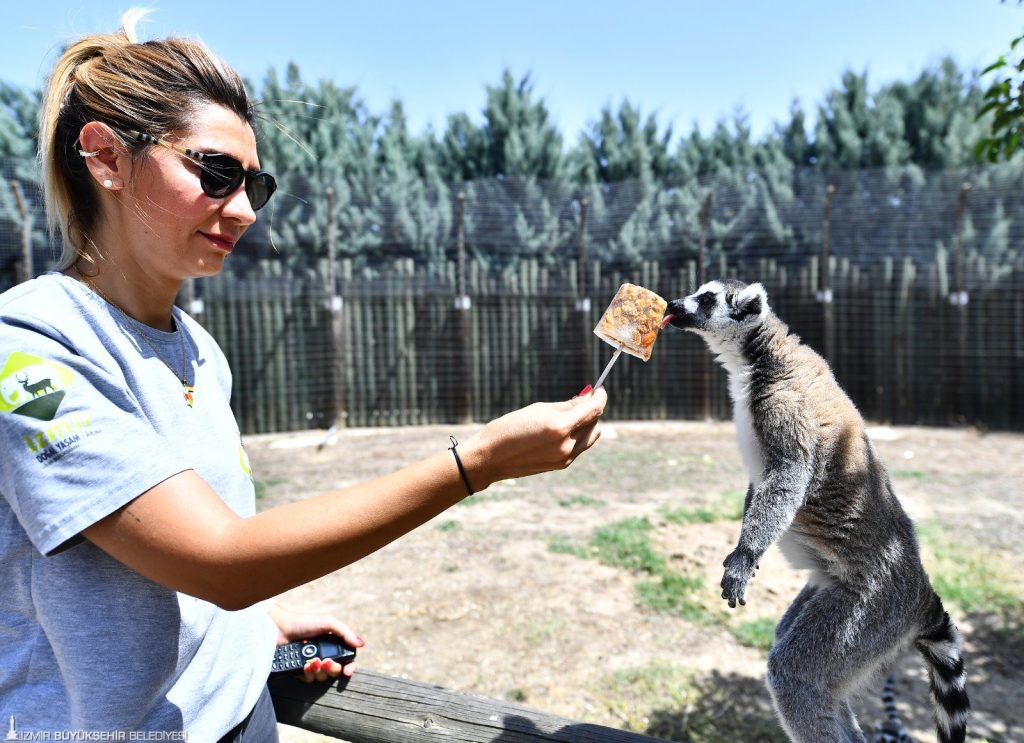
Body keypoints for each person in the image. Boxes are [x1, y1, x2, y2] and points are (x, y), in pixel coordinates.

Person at [0, 10, 607, 741]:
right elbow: (221, 560)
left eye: (257, 184)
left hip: (242, 715)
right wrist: (475, 464)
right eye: (216, 172)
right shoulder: (28, 347)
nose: (245, 209)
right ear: (106, 158)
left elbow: (180, 568)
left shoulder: (198, 349)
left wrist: (256, 625)